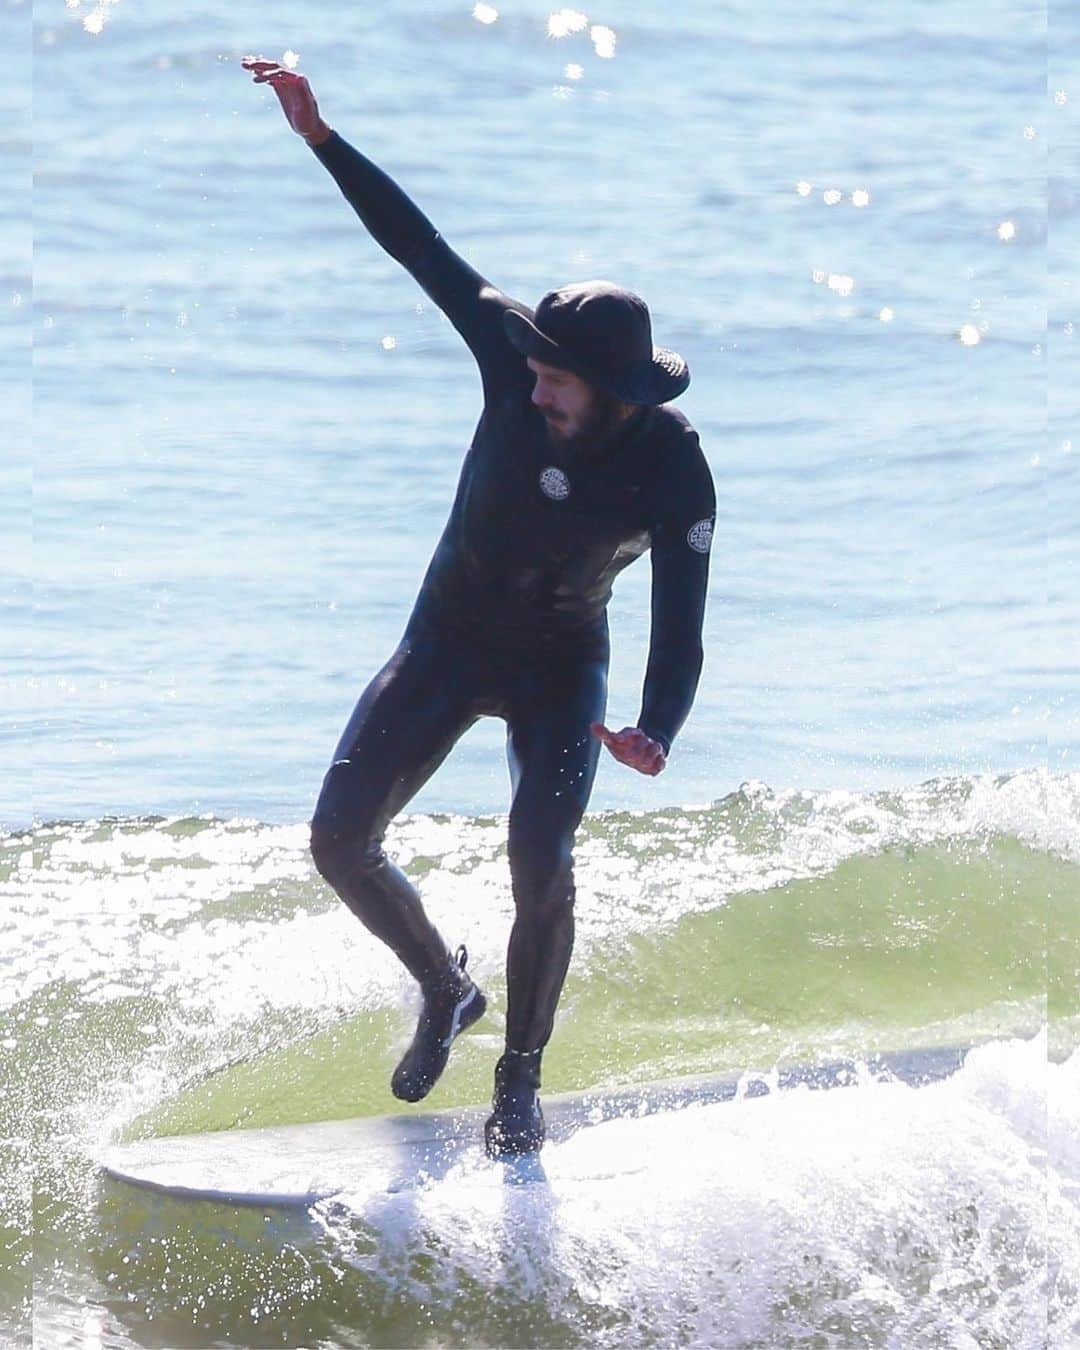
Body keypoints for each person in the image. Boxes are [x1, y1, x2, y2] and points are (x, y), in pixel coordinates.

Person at [242, 57, 716, 1157]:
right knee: (338, 839)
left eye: (559, 376)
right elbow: (420, 248)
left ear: (614, 393)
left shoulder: (673, 470)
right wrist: (321, 134)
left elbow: (683, 620)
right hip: (446, 641)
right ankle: (444, 988)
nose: (534, 381)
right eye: (536, 366)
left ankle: (520, 1078)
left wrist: (658, 729)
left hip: (561, 665)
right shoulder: (512, 360)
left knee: (541, 861)